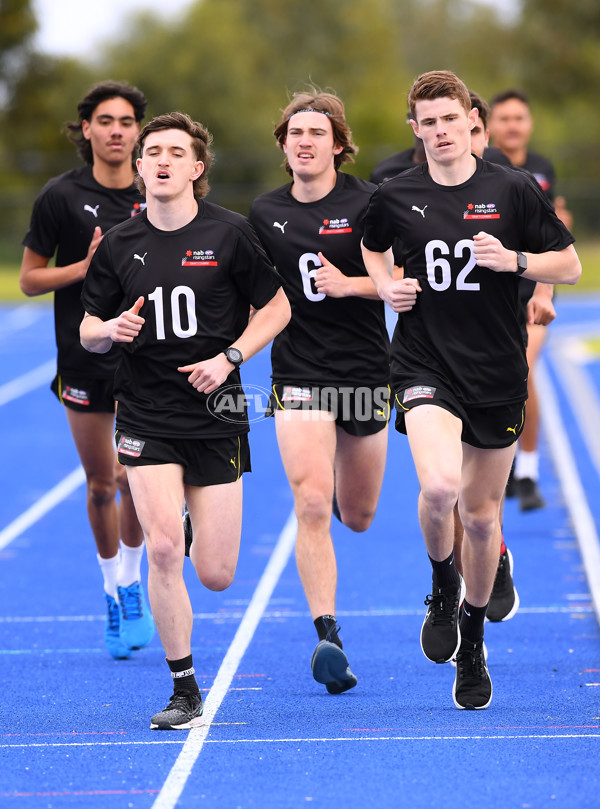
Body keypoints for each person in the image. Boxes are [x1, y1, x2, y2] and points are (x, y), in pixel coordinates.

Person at [361, 70, 581, 710]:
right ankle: (440, 581)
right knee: (438, 487)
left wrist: (513, 261)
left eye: (448, 120)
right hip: (426, 362)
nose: (439, 132)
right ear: (415, 129)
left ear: (469, 122)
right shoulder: (395, 194)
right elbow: (374, 251)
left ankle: (475, 638)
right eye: (426, 122)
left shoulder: (511, 188)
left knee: (483, 520)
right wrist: (385, 286)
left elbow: (567, 264)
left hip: (497, 370)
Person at [80, 112, 290, 729]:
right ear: (140, 168)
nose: (163, 160)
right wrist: (110, 330)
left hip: (217, 412)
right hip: (145, 411)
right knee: (163, 548)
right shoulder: (120, 243)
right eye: (154, 152)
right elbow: (88, 329)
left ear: (197, 169)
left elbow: (276, 308)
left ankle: (196, 528)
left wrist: (231, 358)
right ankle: (184, 689)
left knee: (217, 574)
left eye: (177, 152)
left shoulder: (230, 233)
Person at [248, 90, 391, 695]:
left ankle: (335, 491)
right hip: (299, 374)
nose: (304, 141)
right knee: (310, 503)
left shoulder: (371, 202)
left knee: (356, 517)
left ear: (338, 143)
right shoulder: (262, 213)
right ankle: (328, 635)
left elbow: (404, 282)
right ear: (283, 146)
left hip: (364, 372)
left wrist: (350, 284)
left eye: (316, 132)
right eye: (294, 133)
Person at [20, 81, 155, 660]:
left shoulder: (158, 190)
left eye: (127, 121)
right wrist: (84, 268)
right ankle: (111, 590)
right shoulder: (60, 196)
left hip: (144, 360)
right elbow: (29, 279)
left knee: (136, 478)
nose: (118, 130)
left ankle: (133, 582)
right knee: (103, 482)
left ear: (139, 131)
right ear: (88, 130)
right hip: (81, 358)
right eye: (106, 120)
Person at [488, 89, 568, 511]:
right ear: (488, 126)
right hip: (489, 299)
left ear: (530, 124)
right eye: (505, 119)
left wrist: (544, 289)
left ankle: (529, 472)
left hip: (529, 296)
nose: (513, 126)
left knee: (523, 370)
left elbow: (554, 235)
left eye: (520, 118)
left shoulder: (541, 169)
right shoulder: (479, 169)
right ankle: (501, 461)